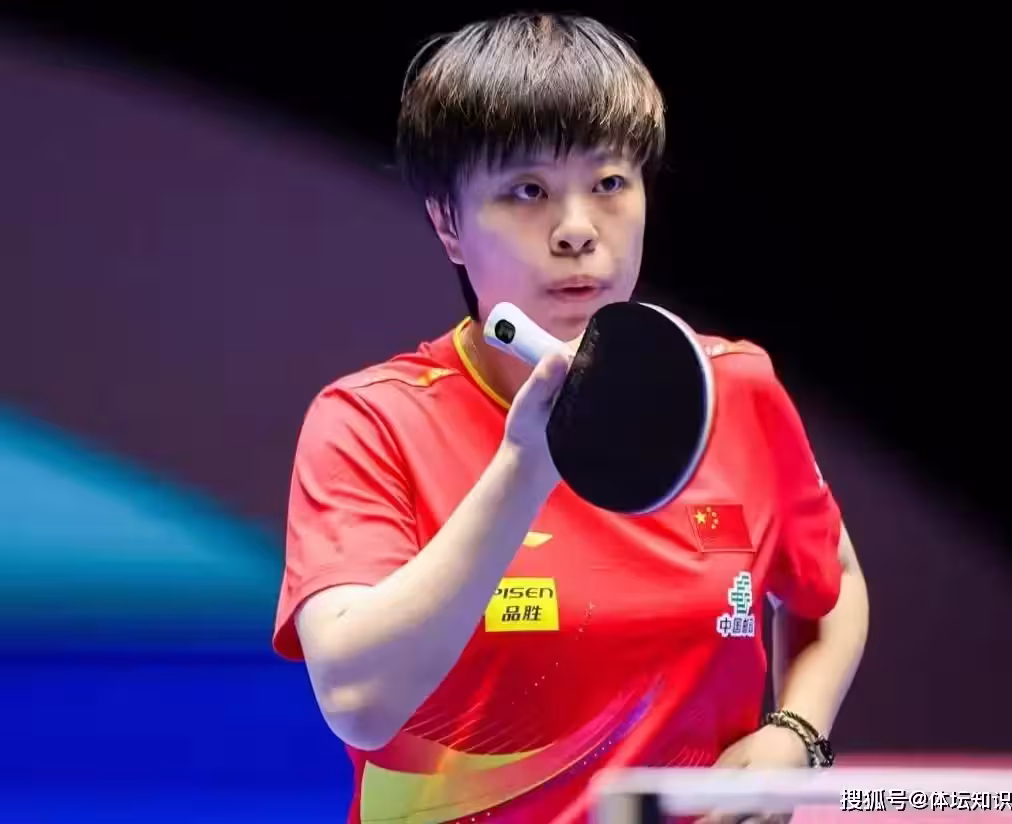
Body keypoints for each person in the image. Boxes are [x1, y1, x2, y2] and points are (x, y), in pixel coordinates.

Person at [272, 12, 869, 824]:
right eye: (528, 191)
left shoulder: (732, 388)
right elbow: (358, 701)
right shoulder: (370, 425)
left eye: (610, 183)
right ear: (448, 222)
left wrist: (797, 734)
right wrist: (527, 463)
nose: (579, 230)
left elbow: (833, 581)